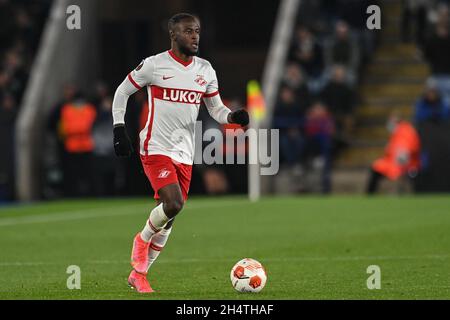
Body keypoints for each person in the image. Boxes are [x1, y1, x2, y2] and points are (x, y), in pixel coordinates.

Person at [111, 13, 249, 293]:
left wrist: (233, 116)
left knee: (170, 216)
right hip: (155, 147)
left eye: (197, 31)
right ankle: (142, 239)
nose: (195, 36)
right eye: (188, 31)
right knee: (173, 203)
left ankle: (139, 275)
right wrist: (118, 128)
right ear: (173, 35)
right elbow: (122, 91)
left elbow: (215, 109)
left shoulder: (206, 70)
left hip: (185, 152)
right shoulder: (154, 65)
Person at [367, 113, 421, 194]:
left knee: (407, 177)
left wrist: (399, 168)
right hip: (393, 162)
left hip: (406, 164)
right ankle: (370, 194)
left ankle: (371, 194)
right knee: (376, 168)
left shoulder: (404, 131)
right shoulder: (400, 131)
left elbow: (404, 152)